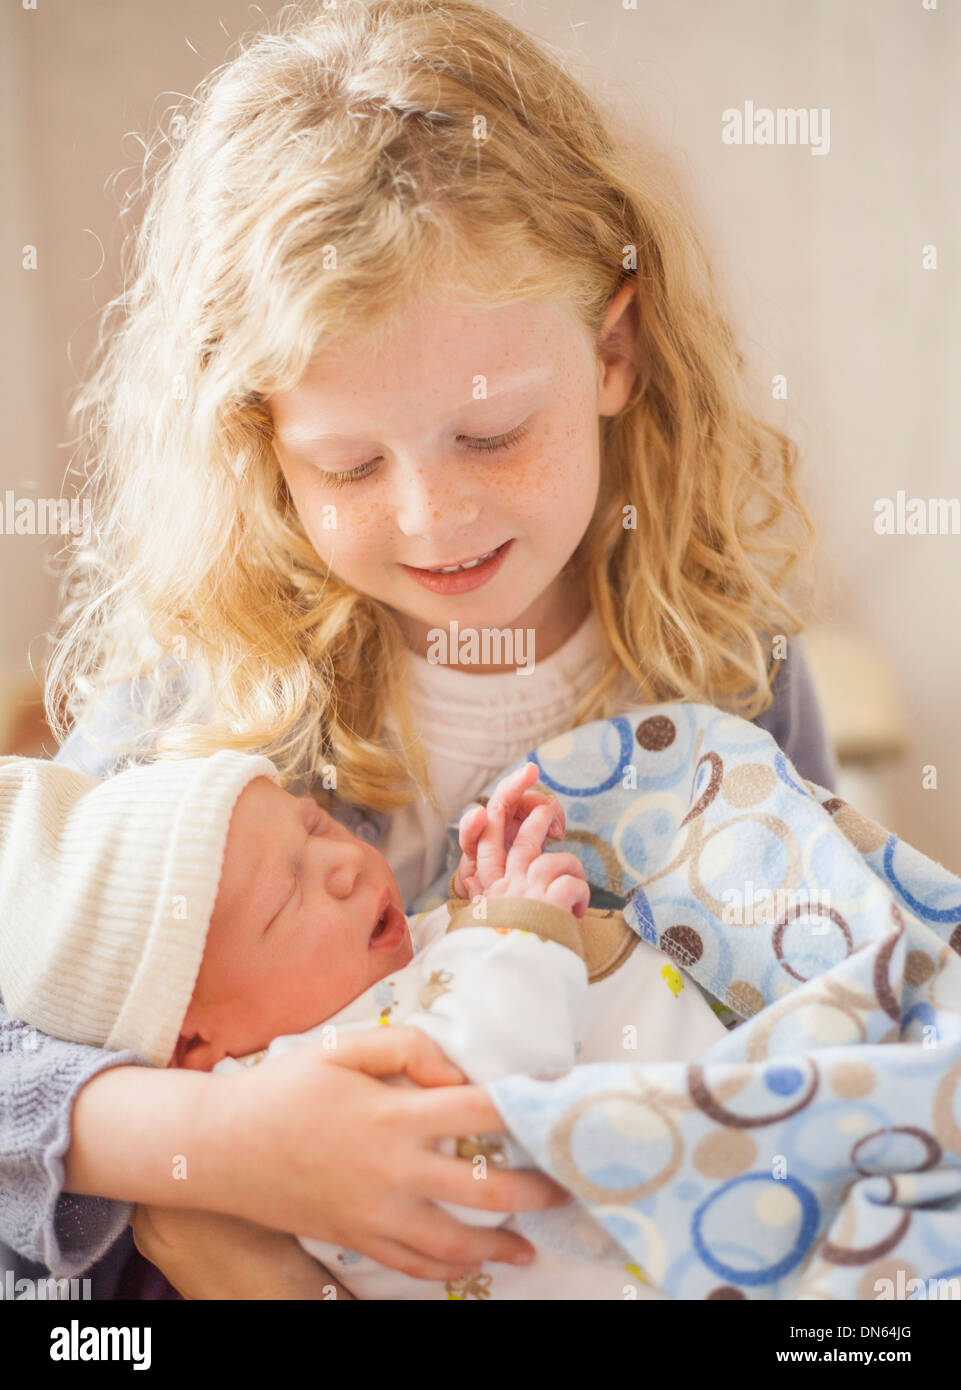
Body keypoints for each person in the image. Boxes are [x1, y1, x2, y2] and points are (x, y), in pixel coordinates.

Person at [1, 0, 838, 1300]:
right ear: (259, 442)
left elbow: (821, 996)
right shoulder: (198, 711)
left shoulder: (727, 674)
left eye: (494, 430)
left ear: (612, 350)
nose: (432, 517)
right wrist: (208, 1150)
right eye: (347, 462)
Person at [0, 752, 725, 1300]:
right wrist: (516, 933)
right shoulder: (295, 1090)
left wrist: (479, 901)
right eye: (285, 897)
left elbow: (455, 985)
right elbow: (476, 1121)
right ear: (195, 1046)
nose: (342, 865)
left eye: (313, 825)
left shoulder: (368, 975)